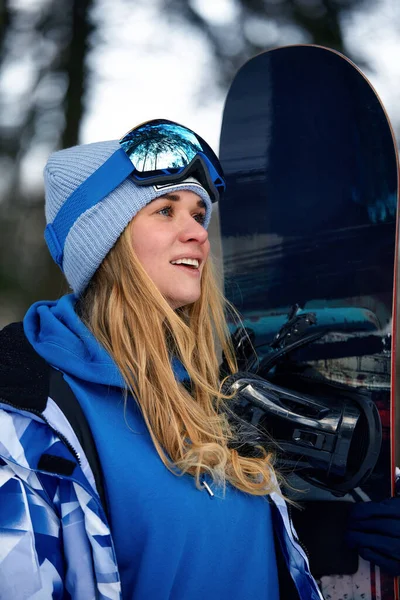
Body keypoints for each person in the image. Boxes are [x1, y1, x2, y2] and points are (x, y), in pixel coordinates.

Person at [0, 119, 323, 600]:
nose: (196, 232)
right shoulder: (30, 417)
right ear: (108, 243)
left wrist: (344, 533)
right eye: (166, 210)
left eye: (198, 214)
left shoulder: (222, 390)